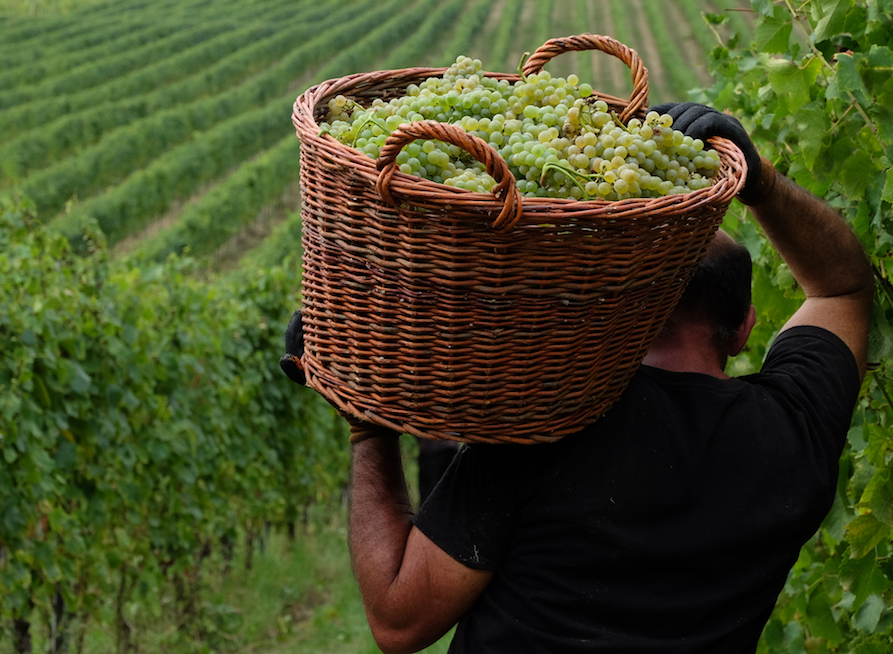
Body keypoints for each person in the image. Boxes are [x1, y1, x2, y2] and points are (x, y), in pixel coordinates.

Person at [280, 103, 873, 653]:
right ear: (743, 329)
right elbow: (842, 286)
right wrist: (760, 183)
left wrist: (368, 427)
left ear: (617, 303)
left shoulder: (551, 422)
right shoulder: (794, 432)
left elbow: (399, 618)